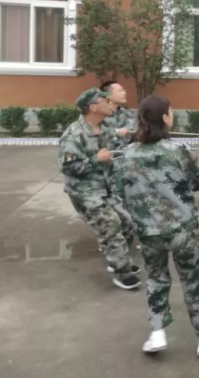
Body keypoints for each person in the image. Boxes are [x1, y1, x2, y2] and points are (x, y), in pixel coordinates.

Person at [117, 95, 199, 357]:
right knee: (194, 281)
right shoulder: (178, 149)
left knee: (156, 279)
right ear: (165, 118)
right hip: (183, 230)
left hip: (148, 232)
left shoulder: (128, 153)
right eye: (171, 112)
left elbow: (120, 189)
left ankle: (157, 333)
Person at [58, 88, 140, 290]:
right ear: (93, 107)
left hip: (106, 187)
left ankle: (117, 258)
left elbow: (118, 145)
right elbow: (68, 167)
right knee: (110, 224)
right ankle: (122, 271)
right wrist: (96, 159)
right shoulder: (74, 134)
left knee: (128, 222)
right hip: (84, 191)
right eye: (105, 101)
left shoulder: (105, 127)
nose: (110, 103)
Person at [101, 80, 136, 146]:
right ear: (107, 95)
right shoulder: (99, 115)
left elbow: (133, 132)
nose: (124, 93)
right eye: (120, 91)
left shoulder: (127, 113)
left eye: (123, 90)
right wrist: (116, 132)